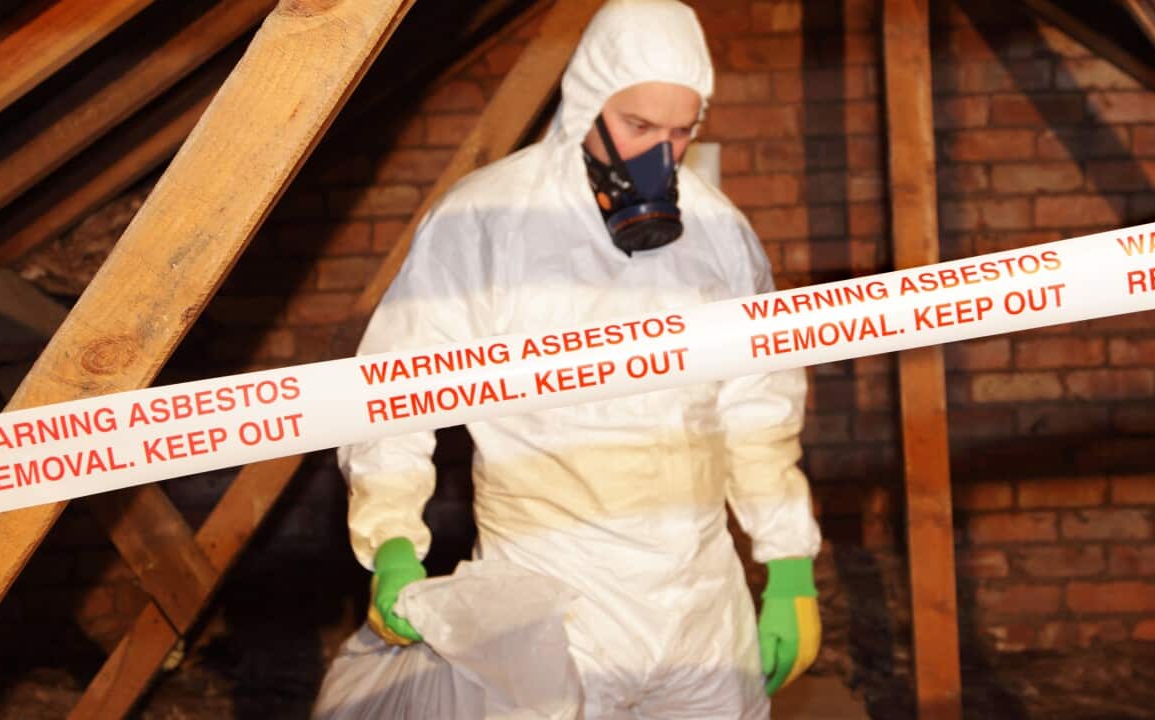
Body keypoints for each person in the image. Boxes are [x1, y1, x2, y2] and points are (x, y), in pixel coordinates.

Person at [338, 0, 822, 716]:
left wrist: (787, 565)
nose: (660, 156)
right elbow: (396, 386)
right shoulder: (488, 223)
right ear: (588, 101)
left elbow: (759, 409)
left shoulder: (719, 232)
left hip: (697, 601)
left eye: (680, 132)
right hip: (549, 600)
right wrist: (392, 540)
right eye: (638, 127)